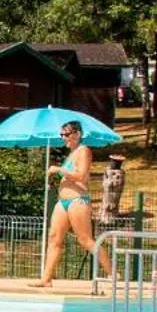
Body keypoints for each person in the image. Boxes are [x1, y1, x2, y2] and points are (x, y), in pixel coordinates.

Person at [34, 120, 114, 286]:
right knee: (54, 239)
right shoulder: (71, 154)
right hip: (62, 202)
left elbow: (81, 176)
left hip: (78, 200)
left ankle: (113, 273)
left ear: (77, 134)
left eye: (67, 134)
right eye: (62, 135)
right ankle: (46, 279)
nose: (64, 138)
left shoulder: (83, 151)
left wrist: (59, 170)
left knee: (85, 240)